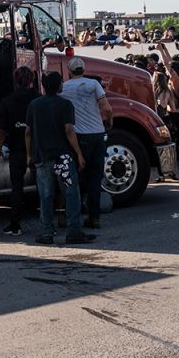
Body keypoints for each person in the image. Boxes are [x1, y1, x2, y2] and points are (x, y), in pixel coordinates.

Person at [26, 72, 95, 245]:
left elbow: (27, 132)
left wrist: (29, 155)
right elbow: (69, 130)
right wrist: (78, 153)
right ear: (59, 86)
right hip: (62, 158)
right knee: (71, 194)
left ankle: (47, 232)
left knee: (46, 195)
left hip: (42, 156)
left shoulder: (34, 105)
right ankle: (73, 231)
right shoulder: (65, 104)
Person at [59, 56, 112, 229]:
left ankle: (72, 214)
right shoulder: (93, 84)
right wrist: (109, 122)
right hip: (98, 134)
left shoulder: (64, 88)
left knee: (77, 178)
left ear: (69, 70)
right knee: (95, 179)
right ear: (83, 69)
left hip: (79, 137)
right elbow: (107, 107)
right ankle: (94, 217)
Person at [0, 67, 39, 235]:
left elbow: (2, 130)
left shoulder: (7, 101)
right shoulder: (38, 100)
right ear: (31, 81)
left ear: (15, 81)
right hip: (37, 149)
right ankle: (48, 223)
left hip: (16, 150)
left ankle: (15, 225)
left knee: (17, 187)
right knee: (44, 186)